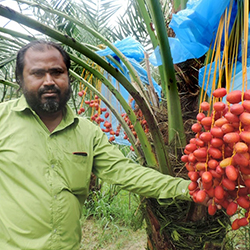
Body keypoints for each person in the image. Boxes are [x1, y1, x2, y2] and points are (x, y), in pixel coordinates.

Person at [0, 40, 191, 250]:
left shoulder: (87, 132)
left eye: (57, 72)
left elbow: (125, 173)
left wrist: (187, 188)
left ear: (68, 77)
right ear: (20, 79)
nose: (49, 81)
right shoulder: (2, 120)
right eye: (37, 73)